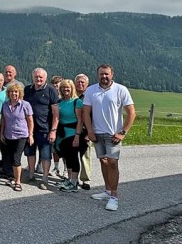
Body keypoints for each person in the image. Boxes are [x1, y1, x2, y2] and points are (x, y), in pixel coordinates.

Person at [83, 64, 135, 211]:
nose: (104, 76)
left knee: (112, 163)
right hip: (97, 133)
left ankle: (114, 196)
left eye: (106, 74)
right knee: (103, 161)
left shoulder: (120, 90)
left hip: (114, 134)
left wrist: (123, 132)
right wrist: (90, 131)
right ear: (97, 75)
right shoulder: (91, 90)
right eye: (101, 74)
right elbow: (86, 113)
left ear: (112, 74)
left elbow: (131, 113)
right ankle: (107, 190)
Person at [24, 68, 59, 190]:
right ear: (32, 77)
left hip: (45, 129)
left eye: (41, 77)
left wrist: (53, 130)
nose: (38, 79)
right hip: (29, 130)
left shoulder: (51, 90)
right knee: (30, 152)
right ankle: (31, 174)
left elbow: (55, 114)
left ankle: (44, 178)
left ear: (45, 78)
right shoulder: (27, 89)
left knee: (45, 155)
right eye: (36, 77)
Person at [0, 84, 34, 192]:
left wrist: (31, 134)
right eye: (11, 92)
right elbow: (4, 120)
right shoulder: (5, 105)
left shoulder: (25, 105)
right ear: (8, 93)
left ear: (20, 93)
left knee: (16, 158)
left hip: (21, 135)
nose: (14, 94)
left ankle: (18, 182)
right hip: (8, 135)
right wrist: (1, 133)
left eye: (16, 92)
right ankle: (12, 178)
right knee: (8, 157)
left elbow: (30, 121)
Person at [54, 79, 83, 193]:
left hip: (72, 133)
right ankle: (69, 179)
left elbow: (80, 120)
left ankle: (74, 183)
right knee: (67, 158)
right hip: (62, 134)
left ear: (72, 89)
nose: (65, 89)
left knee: (73, 158)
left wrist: (77, 136)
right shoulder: (60, 102)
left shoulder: (76, 102)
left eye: (68, 87)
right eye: (63, 88)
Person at [75, 73, 93, 190]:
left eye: (83, 82)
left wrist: (89, 133)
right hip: (72, 131)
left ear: (87, 84)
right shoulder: (72, 96)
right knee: (72, 156)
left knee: (85, 156)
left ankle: (85, 180)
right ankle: (73, 178)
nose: (80, 84)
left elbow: (94, 116)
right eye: (78, 82)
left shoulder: (90, 97)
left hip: (86, 131)